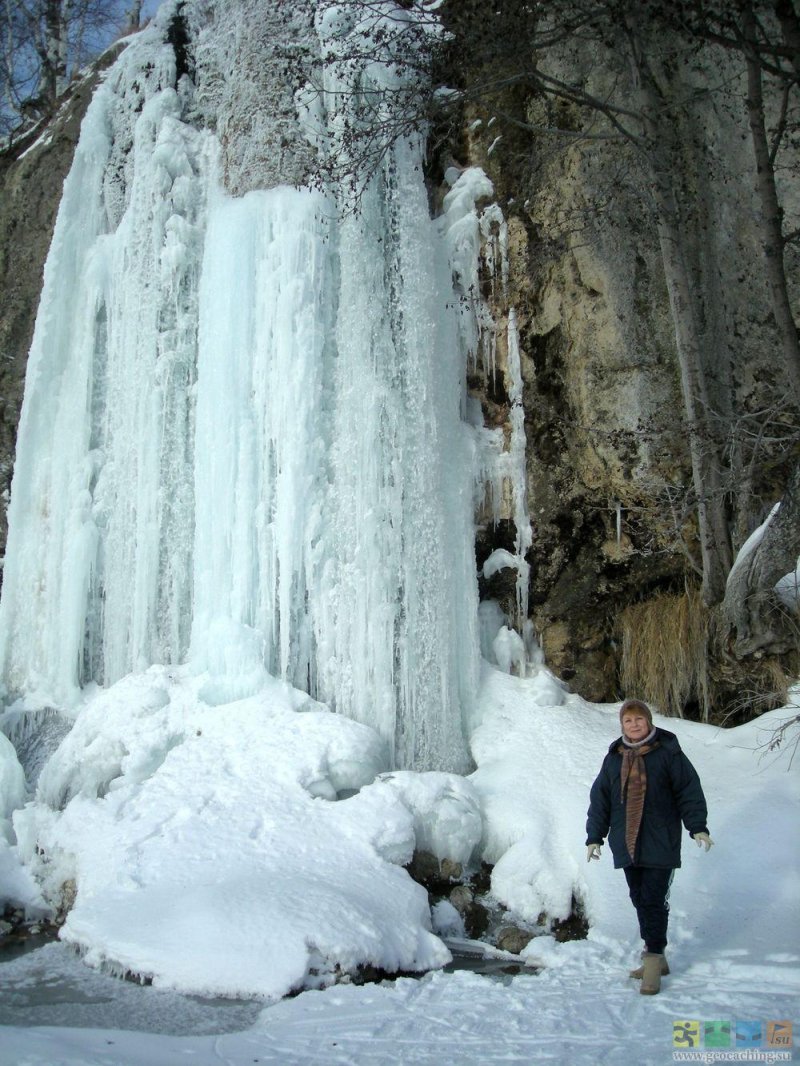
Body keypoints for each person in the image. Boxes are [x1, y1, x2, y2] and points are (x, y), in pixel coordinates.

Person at [585, 698, 713, 995]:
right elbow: (600, 799)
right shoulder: (614, 757)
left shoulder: (668, 752)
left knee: (653, 899)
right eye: (628, 721)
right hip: (626, 841)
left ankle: (653, 961)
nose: (634, 725)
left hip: (661, 840)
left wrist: (698, 827)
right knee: (639, 897)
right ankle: (656, 953)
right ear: (622, 725)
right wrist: (594, 836)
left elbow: (688, 790)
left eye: (638, 720)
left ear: (648, 721)